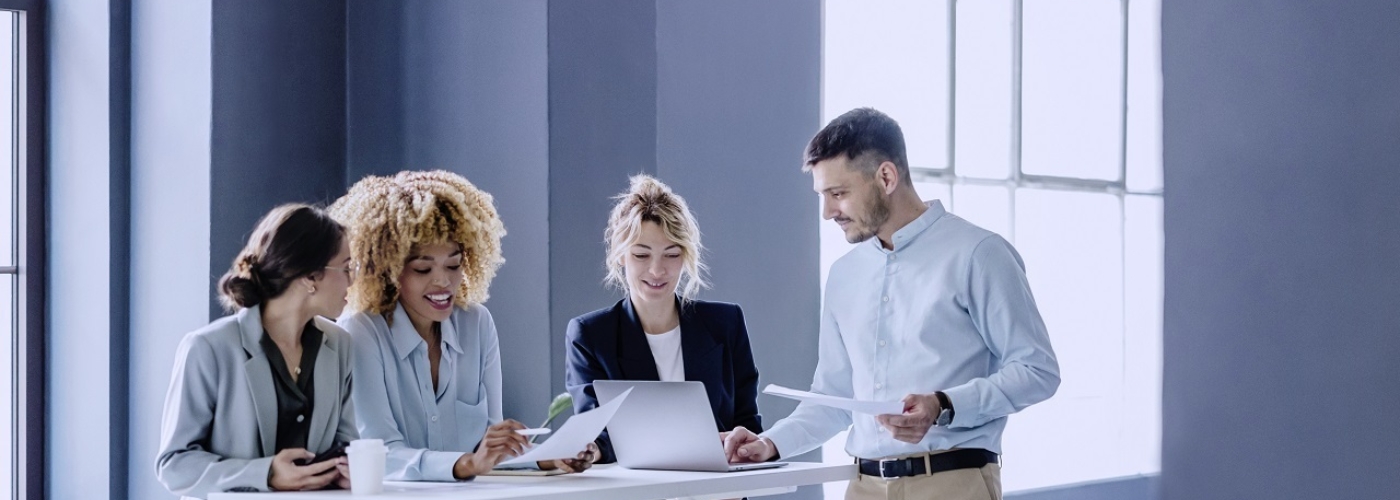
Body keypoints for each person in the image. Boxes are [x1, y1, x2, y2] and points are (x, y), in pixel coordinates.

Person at [722, 108, 1061, 500]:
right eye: (823, 196)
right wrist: (769, 444)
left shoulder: (978, 254)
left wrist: (944, 404)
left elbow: (1037, 369)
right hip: (862, 486)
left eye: (838, 193)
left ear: (886, 177)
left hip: (952, 484)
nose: (828, 212)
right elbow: (833, 398)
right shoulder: (844, 275)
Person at [331, 170, 597, 481]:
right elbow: (380, 453)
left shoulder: (477, 324)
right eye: (422, 268)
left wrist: (551, 457)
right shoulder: (360, 332)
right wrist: (467, 464)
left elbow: (490, 448)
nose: (443, 281)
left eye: (454, 264)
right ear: (387, 269)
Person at [156, 204, 358, 498]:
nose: (352, 280)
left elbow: (347, 442)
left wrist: (345, 470)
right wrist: (266, 474)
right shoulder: (208, 349)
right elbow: (173, 465)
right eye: (346, 267)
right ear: (310, 277)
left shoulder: (340, 345)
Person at [565, 174, 763, 464]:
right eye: (641, 255)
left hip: (718, 490)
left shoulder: (725, 323)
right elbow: (598, 432)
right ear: (621, 256)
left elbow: (747, 422)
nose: (657, 271)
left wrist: (743, 447)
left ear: (686, 255)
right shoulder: (591, 335)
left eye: (671, 255)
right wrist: (590, 450)